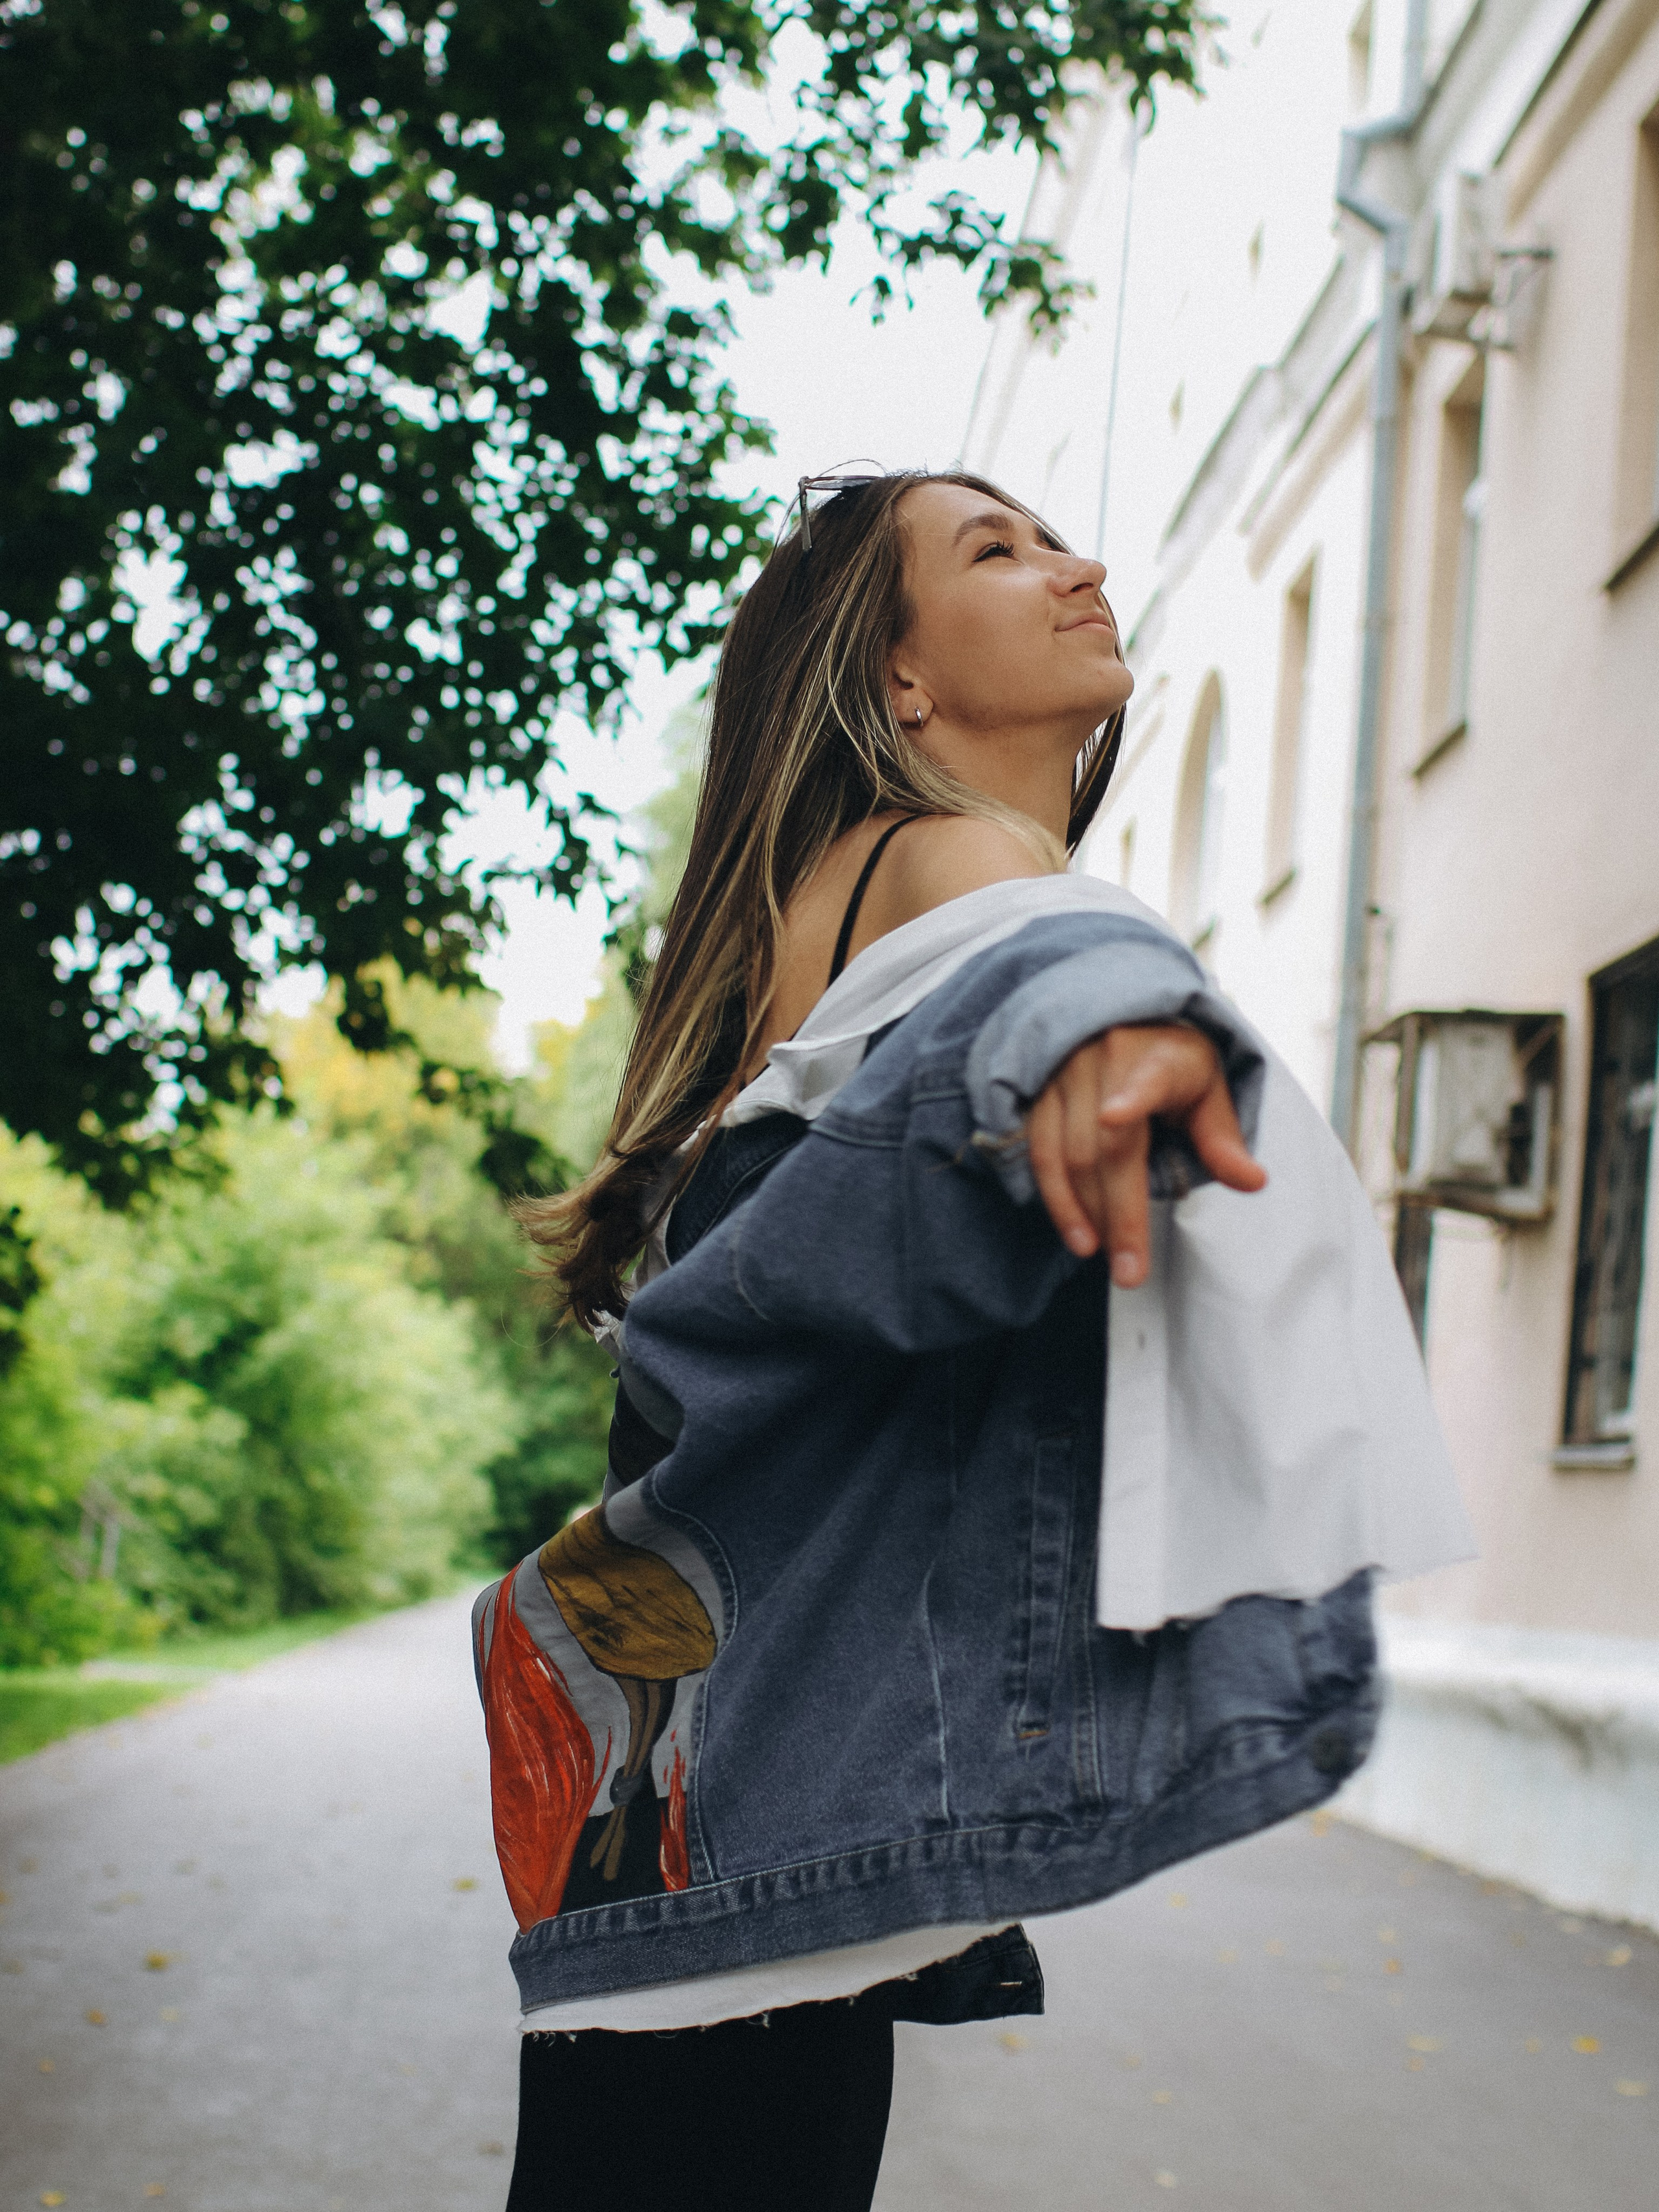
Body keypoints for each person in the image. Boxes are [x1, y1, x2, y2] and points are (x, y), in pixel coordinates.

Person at [476, 471, 1470, 2212]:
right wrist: (1117, 1038)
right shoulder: (953, 862)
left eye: (1060, 536)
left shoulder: (841, 911)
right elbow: (1054, 971)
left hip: (698, 1822)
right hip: (746, 1835)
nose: (1078, 565)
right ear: (901, 682)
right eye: (995, 553)